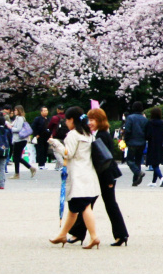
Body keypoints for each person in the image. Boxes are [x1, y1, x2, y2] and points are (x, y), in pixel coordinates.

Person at [69, 108, 129, 247]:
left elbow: (106, 159)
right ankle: (120, 234)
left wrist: (108, 180)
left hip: (105, 176)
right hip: (102, 175)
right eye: (88, 120)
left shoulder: (102, 135)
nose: (89, 123)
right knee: (90, 205)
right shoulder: (100, 134)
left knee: (98, 205)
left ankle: (120, 234)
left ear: (100, 120)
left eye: (92, 120)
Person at [47, 107, 101, 249]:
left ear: (71, 120)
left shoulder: (73, 134)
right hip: (88, 174)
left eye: (67, 119)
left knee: (84, 207)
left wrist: (55, 143)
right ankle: (62, 234)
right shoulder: (88, 134)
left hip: (78, 176)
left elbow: (68, 153)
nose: (66, 122)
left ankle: (94, 236)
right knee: (74, 209)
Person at [121, 102, 147, 186]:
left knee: (129, 160)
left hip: (132, 142)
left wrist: (126, 139)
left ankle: (138, 172)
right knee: (138, 161)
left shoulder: (130, 118)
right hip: (142, 142)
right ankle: (135, 180)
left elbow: (128, 130)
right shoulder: (144, 119)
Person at [8, 105, 35, 180]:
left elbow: (18, 129)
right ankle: (29, 168)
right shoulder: (17, 118)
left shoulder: (20, 118)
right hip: (17, 139)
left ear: (19, 111)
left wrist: (11, 129)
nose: (14, 111)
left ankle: (18, 173)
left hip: (20, 139)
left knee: (16, 157)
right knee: (17, 157)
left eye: (16, 110)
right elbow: (12, 125)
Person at [145, 107, 163, 188]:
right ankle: (154, 181)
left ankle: (161, 177)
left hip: (153, 144)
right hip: (161, 145)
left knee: (154, 164)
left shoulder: (150, 123)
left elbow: (147, 135)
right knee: (156, 163)